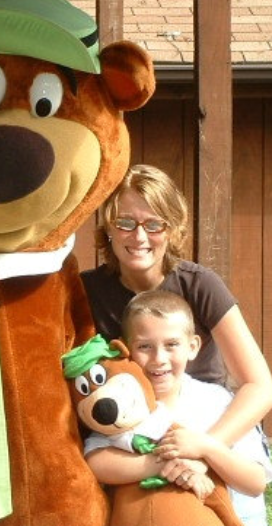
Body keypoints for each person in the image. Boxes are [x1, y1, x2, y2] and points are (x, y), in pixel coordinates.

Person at [80, 163, 272, 449]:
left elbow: (260, 386)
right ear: (109, 227)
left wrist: (204, 448)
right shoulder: (85, 291)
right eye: (126, 223)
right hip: (125, 431)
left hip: (206, 424)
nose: (140, 237)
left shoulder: (200, 285)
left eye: (154, 224)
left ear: (172, 229)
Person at [84, 290, 271, 526]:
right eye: (145, 346)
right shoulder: (122, 401)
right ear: (127, 349)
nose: (159, 358)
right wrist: (163, 465)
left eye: (172, 345)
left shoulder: (216, 401)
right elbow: (95, 462)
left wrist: (206, 449)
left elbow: (255, 482)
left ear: (193, 347)